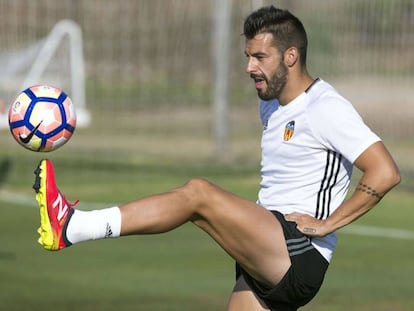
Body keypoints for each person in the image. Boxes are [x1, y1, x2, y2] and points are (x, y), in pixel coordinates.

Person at [33, 6, 401, 311]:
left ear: (291, 56)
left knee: (198, 195)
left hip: (296, 251)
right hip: (263, 248)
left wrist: (326, 225)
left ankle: (73, 226)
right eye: (247, 57)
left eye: (260, 57)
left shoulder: (326, 107)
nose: (249, 68)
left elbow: (385, 172)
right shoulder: (272, 105)